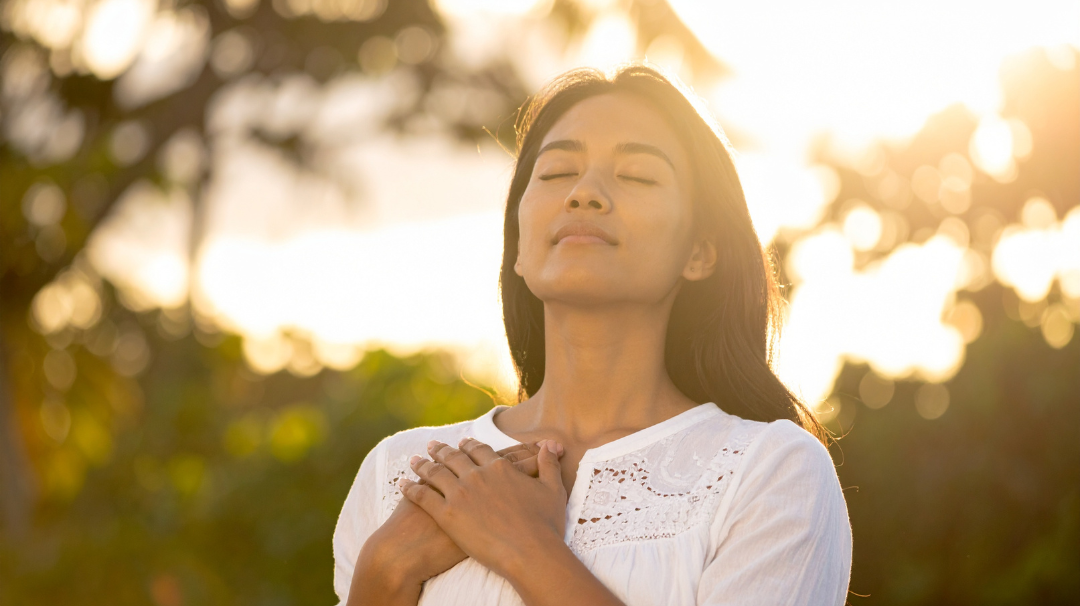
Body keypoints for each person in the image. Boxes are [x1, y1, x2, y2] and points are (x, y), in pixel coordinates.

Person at [332, 63, 852, 606]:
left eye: (637, 176)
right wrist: (384, 572)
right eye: (556, 172)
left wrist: (525, 547)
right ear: (519, 241)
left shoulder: (769, 471)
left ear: (700, 252)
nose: (585, 193)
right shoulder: (401, 470)